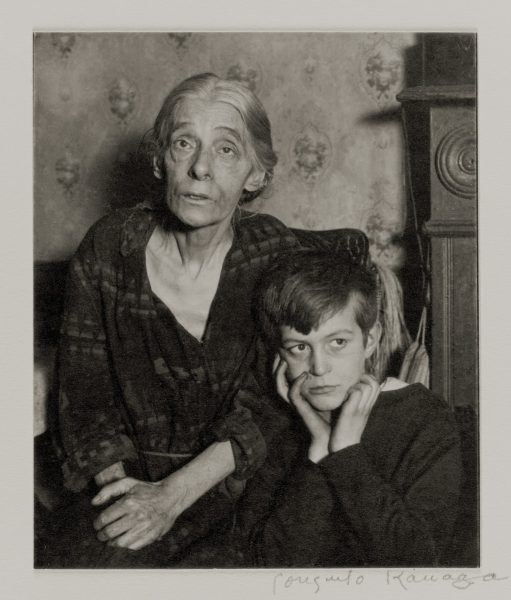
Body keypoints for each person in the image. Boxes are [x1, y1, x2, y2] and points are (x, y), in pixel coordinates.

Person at [42, 72, 321, 567]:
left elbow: (272, 404)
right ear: (159, 160)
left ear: (256, 175)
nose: (200, 168)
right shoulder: (110, 248)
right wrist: (124, 498)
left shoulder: (273, 255)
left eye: (226, 150)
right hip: (127, 481)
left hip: (244, 485)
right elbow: (84, 398)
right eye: (184, 143)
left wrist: (171, 497)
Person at [236, 250, 462, 567]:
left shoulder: (424, 418)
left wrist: (345, 452)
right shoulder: (277, 426)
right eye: (299, 347)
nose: (319, 367)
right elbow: (267, 567)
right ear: (280, 358)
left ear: (370, 341)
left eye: (338, 342)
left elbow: (418, 565)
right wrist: (320, 448)